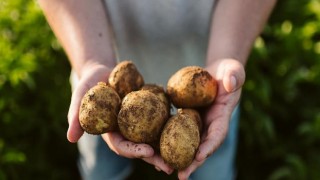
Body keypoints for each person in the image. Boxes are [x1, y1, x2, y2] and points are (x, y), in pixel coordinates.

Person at [39, 0, 276, 179]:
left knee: (213, 165)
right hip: (100, 71)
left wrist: (227, 52)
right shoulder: (110, 98)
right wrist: (91, 59)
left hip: (216, 91)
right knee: (101, 170)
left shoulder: (206, 99)